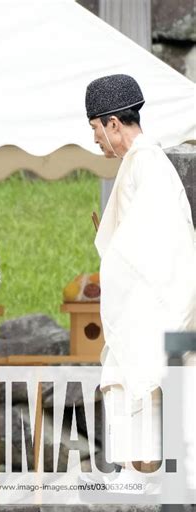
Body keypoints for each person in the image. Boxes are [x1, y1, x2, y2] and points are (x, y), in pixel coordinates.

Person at [85, 74, 195, 481]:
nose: (95, 138)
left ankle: (141, 479)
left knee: (135, 382)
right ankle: (138, 475)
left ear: (114, 123)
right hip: (144, 300)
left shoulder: (146, 161)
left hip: (151, 302)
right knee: (125, 381)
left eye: (95, 127)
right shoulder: (140, 162)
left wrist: (112, 254)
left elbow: (153, 247)